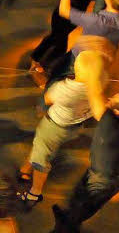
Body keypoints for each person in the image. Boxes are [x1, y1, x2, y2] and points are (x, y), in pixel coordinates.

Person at [46, 92, 119, 233]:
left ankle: (66, 232)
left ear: (118, 112)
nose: (109, 99)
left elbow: (96, 97)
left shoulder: (109, 122)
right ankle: (70, 220)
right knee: (85, 200)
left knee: (83, 204)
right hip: (116, 176)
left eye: (113, 101)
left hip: (103, 178)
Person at [18, 50, 108, 208]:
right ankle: (27, 166)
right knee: (43, 148)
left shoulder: (65, 89)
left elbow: (47, 99)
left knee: (42, 158)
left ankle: (35, 192)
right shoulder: (99, 86)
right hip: (73, 125)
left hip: (53, 126)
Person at [28, 0, 107, 81]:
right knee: (59, 41)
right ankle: (39, 62)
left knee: (56, 38)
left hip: (75, 18)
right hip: (62, 15)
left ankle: (37, 59)